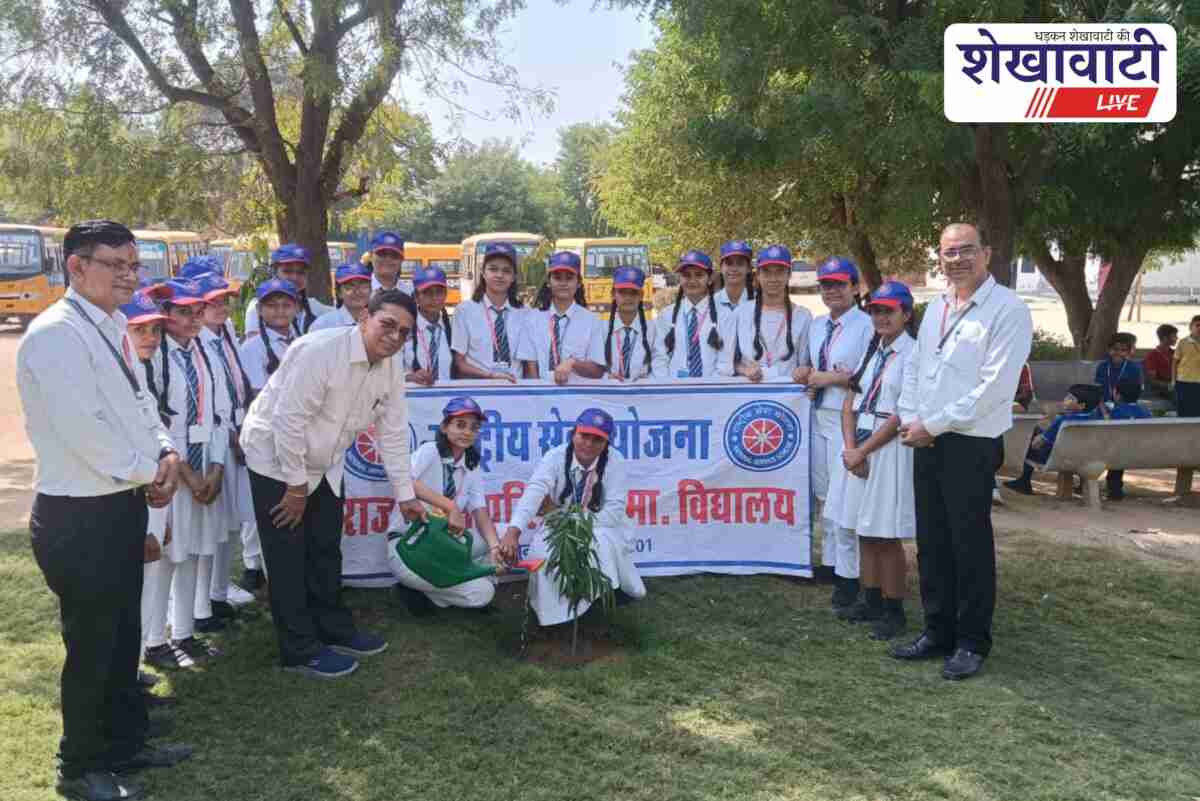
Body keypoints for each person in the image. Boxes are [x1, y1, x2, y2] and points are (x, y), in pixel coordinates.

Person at [18, 220, 190, 801]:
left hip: (120, 503)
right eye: (114, 263)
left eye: (133, 265)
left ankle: (124, 743)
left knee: (121, 637)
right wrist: (153, 471)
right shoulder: (53, 335)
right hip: (77, 515)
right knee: (92, 646)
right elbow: (82, 432)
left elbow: (140, 402)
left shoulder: (114, 324)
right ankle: (81, 765)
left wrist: (165, 450)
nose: (126, 275)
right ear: (75, 266)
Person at [239, 289, 426, 679]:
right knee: (288, 555)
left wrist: (405, 495)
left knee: (325, 547)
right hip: (275, 456)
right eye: (387, 324)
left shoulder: (391, 366)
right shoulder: (319, 351)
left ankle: (333, 628)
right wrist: (294, 487)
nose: (393, 337)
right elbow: (288, 422)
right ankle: (299, 649)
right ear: (364, 318)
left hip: (326, 460)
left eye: (404, 332)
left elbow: (392, 433)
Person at [894, 222, 1033, 680]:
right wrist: (914, 418)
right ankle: (938, 631)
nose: (956, 259)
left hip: (970, 443)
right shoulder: (936, 307)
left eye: (966, 250)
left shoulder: (1008, 310)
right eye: (948, 252)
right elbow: (915, 368)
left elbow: (994, 388)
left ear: (987, 254)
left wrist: (931, 424)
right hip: (926, 438)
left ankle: (972, 641)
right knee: (932, 542)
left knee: (968, 544)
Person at [141, 278, 231, 668]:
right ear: (166, 314)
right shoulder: (156, 357)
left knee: (194, 551)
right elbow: (159, 421)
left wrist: (215, 468)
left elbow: (219, 412)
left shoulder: (204, 351)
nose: (193, 318)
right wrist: (189, 475)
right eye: (183, 311)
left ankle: (184, 631)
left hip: (205, 465)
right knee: (164, 557)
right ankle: (154, 639)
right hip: (172, 472)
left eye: (197, 311)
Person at [826, 280, 918, 639]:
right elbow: (850, 401)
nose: (881, 317)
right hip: (857, 446)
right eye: (876, 310)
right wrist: (851, 449)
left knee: (885, 533)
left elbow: (900, 414)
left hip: (887, 449)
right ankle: (872, 599)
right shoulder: (872, 350)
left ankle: (894, 610)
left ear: (906, 315)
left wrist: (863, 451)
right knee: (862, 527)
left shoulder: (912, 354)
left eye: (888, 311)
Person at [499, 409, 647, 625]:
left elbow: (613, 512)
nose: (588, 444)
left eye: (597, 439)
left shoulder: (615, 461)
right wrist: (513, 532)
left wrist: (565, 515)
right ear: (573, 434)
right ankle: (555, 619)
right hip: (557, 525)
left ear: (606, 443)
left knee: (602, 544)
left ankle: (600, 602)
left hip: (601, 526)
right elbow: (534, 493)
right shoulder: (555, 457)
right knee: (545, 557)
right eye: (584, 436)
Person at [802, 257, 874, 606]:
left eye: (839, 284)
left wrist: (829, 378)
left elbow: (869, 374)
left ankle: (853, 573)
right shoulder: (817, 325)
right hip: (818, 416)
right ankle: (831, 563)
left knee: (846, 497)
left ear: (855, 287)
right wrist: (807, 375)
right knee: (824, 494)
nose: (832, 290)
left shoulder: (866, 324)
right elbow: (809, 366)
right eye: (826, 285)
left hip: (848, 418)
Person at [389, 397, 504, 614]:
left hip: (441, 545)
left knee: (499, 536)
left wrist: (494, 547)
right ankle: (424, 592)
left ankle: (426, 592)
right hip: (409, 545)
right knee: (483, 593)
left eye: (474, 427)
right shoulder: (430, 451)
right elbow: (403, 479)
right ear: (444, 427)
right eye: (460, 425)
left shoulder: (471, 464)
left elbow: (479, 512)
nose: (467, 432)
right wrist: (451, 506)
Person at [195, 273, 258, 613]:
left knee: (232, 521)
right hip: (217, 438)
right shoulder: (198, 340)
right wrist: (233, 433)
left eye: (224, 301)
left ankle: (218, 593)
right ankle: (204, 600)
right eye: (212, 302)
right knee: (213, 526)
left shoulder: (225, 334)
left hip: (237, 430)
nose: (220, 308)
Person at [718, 244, 812, 380]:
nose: (773, 278)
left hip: (786, 397)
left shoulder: (803, 316)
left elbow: (806, 363)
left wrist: (804, 370)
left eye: (779, 271)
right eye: (767, 272)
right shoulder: (741, 312)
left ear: (789, 275)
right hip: (747, 395)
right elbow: (728, 361)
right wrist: (745, 370)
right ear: (758, 276)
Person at [521, 251, 606, 383]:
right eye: (557, 277)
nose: (563, 283)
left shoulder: (592, 320)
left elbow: (598, 370)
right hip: (542, 396)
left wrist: (573, 363)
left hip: (580, 398)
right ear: (548, 282)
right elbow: (530, 369)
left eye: (569, 278)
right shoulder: (532, 318)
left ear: (578, 283)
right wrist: (539, 397)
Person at [1002, 384, 1103, 496]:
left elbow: (1038, 443)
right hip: (1086, 458)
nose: (1065, 400)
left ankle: (1024, 481)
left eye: (1070, 398)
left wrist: (1035, 439)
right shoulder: (1097, 419)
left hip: (1057, 458)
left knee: (1034, 432)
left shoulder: (1063, 420)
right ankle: (1081, 485)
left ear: (1081, 405)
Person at [451, 242, 529, 383]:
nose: (499, 275)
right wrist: (489, 376)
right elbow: (459, 363)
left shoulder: (525, 313)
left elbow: (528, 363)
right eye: (493, 269)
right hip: (479, 390)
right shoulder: (464, 311)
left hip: (516, 391)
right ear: (483, 272)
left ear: (513, 277)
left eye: (506, 271)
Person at [652, 250, 727, 379]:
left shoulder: (724, 315)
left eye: (699, 275)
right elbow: (660, 356)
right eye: (686, 275)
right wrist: (665, 385)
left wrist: (711, 386)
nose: (692, 280)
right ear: (680, 279)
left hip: (712, 388)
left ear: (709, 279)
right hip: (675, 389)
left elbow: (726, 359)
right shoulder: (667, 315)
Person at [243, 244, 333, 338]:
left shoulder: (318, 309)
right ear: (274, 272)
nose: (294, 277)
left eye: (300, 273)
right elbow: (254, 343)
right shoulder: (258, 307)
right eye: (287, 271)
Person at [240, 278, 300, 394]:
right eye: (272, 305)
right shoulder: (252, 348)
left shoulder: (303, 340)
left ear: (296, 308)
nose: (280, 310)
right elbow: (257, 394)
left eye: (286, 305)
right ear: (259, 309)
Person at [401, 266, 454, 384]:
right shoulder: (404, 330)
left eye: (439, 292)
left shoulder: (453, 330)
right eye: (427, 293)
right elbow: (390, 372)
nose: (434, 298)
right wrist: (409, 377)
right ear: (416, 296)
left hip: (449, 396)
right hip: (414, 398)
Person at [602, 266, 656, 382]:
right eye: (622, 292)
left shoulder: (653, 329)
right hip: (608, 393)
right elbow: (595, 363)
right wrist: (605, 377)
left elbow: (659, 362)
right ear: (613, 294)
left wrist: (649, 380)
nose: (628, 298)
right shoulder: (601, 329)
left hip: (644, 393)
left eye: (633, 293)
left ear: (641, 295)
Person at [1102, 379, 1151, 500]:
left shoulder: (1116, 412)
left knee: (1117, 452)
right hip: (1143, 452)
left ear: (1118, 395)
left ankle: (1114, 490)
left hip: (1119, 453)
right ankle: (1115, 490)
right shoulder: (1145, 412)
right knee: (1122, 449)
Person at [310, 262, 373, 331]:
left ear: (371, 290)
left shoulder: (378, 322)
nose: (357, 292)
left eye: (363, 286)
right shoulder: (323, 325)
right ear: (339, 292)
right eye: (349, 287)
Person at [1094, 332, 1141, 406]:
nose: (1118, 353)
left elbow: (1135, 393)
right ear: (1109, 350)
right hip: (1104, 406)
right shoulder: (1102, 366)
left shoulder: (1134, 368)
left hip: (1125, 406)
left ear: (1128, 352)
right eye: (1115, 349)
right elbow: (1097, 389)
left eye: (1123, 350)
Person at [713, 240, 755, 311]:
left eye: (740, 263)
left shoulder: (760, 303)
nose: (734, 269)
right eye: (729, 263)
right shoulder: (710, 304)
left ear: (748, 268)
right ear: (721, 267)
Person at [1174, 315, 1200, 417]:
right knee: (1184, 409)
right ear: (1190, 327)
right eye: (1197, 325)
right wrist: (1173, 379)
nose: (1199, 328)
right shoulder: (1183, 342)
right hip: (1184, 381)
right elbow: (1175, 361)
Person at [1143, 324, 1177, 400]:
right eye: (1174, 336)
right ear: (1165, 338)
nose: (1177, 338)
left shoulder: (1175, 353)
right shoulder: (1152, 355)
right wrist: (1169, 385)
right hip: (1160, 389)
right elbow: (1152, 381)